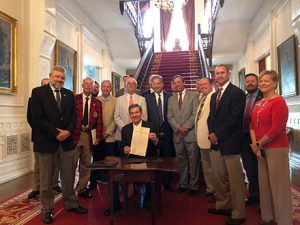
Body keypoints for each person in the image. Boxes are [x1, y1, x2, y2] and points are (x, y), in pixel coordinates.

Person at [30, 66, 87, 224]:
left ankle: (71, 203)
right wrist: (56, 133)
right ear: (50, 76)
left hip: (67, 142)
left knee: (68, 175)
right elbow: (37, 119)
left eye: (62, 77)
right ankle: (47, 209)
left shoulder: (68, 94)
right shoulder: (38, 92)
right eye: (57, 76)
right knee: (46, 178)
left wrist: (67, 132)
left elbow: (74, 117)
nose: (60, 79)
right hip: (47, 141)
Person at [250, 70, 291, 225]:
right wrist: (255, 145)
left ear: (275, 83)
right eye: (261, 81)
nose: (262, 83)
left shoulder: (279, 101)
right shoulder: (259, 103)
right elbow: (252, 125)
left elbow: (277, 128)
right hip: (260, 149)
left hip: (276, 147)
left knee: (278, 186)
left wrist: (259, 144)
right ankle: (268, 218)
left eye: (266, 81)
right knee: (265, 185)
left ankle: (283, 221)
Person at [207, 65, 246, 225]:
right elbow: (211, 118)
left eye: (222, 72)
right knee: (218, 178)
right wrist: (211, 134)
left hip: (231, 142)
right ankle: (223, 205)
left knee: (235, 180)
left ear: (228, 74)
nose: (219, 75)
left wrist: (218, 134)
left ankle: (238, 214)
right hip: (216, 143)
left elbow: (234, 118)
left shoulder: (237, 93)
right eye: (217, 73)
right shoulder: (214, 95)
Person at [27, 78, 62, 200]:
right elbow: (31, 119)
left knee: (55, 163)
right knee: (39, 164)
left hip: (55, 136)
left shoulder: (58, 98)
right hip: (40, 136)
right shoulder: (34, 98)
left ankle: (54, 183)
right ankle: (36, 187)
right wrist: (44, 131)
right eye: (45, 85)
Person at [167, 75, 200, 196]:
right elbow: (170, 117)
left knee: (193, 161)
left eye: (178, 82)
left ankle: (194, 186)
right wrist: (178, 128)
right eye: (174, 83)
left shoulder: (194, 96)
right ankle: (183, 184)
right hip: (177, 135)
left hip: (190, 134)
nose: (176, 85)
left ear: (184, 82)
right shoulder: (171, 99)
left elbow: (195, 114)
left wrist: (185, 127)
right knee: (182, 161)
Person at [73, 77, 103, 199]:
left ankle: (82, 188)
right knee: (72, 163)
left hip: (88, 135)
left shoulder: (97, 102)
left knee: (86, 163)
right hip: (75, 134)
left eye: (91, 84)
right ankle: (69, 189)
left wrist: (98, 137)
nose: (89, 86)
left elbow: (100, 121)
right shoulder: (74, 99)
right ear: (82, 85)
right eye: (86, 84)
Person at [145, 75, 175, 191]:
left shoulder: (170, 97)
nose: (157, 85)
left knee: (167, 159)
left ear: (163, 84)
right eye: (154, 83)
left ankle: (167, 182)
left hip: (168, 132)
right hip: (153, 132)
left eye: (159, 83)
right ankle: (155, 182)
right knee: (153, 159)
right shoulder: (147, 98)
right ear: (151, 85)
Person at [88, 80, 118, 191]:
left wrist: (108, 132)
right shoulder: (95, 100)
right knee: (96, 160)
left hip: (110, 136)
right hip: (97, 137)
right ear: (101, 87)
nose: (105, 88)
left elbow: (116, 118)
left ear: (111, 88)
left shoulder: (116, 101)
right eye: (104, 86)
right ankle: (93, 182)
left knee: (109, 161)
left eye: (108, 87)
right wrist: (98, 134)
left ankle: (109, 181)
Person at [241, 73, 263, 206]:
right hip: (244, 137)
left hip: (260, 138)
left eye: (252, 81)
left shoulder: (263, 97)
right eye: (247, 81)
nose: (250, 83)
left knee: (262, 168)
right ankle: (255, 195)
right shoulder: (243, 98)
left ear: (257, 82)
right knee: (249, 167)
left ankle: (265, 198)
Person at [114, 77, 147, 154]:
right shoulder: (118, 99)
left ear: (136, 86)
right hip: (122, 134)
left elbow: (144, 116)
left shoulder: (142, 99)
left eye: (133, 83)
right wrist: (126, 129)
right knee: (123, 162)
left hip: (138, 134)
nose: (131, 85)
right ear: (125, 85)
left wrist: (136, 129)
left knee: (138, 160)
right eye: (129, 83)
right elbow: (116, 117)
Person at [195, 77, 215, 199]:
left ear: (211, 84)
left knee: (214, 168)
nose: (202, 87)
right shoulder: (202, 97)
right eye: (200, 85)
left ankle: (217, 191)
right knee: (207, 167)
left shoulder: (214, 97)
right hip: (201, 139)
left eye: (204, 84)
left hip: (210, 138)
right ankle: (210, 188)